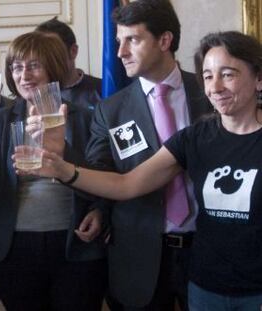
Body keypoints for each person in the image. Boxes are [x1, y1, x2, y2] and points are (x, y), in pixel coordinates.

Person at [23, 30, 262, 311]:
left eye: (228, 74)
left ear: (259, 78)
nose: (215, 87)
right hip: (207, 287)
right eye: (208, 76)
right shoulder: (195, 137)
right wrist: (64, 169)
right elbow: (127, 184)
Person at [0, 31, 107, 311]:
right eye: (17, 67)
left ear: (54, 67)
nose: (24, 75)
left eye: (34, 65)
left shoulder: (84, 117)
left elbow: (101, 177)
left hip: (74, 245)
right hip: (15, 246)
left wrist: (60, 150)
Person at [84, 0, 211, 310]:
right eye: (118, 41)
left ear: (164, 41)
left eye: (133, 40)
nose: (120, 52)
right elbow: (100, 170)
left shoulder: (211, 95)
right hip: (140, 257)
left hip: (210, 251)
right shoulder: (110, 110)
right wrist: (99, 209)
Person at [35, 17, 102, 111]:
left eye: (52, 51)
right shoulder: (32, 95)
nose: (45, 59)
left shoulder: (103, 90)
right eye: (40, 52)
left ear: (73, 51)